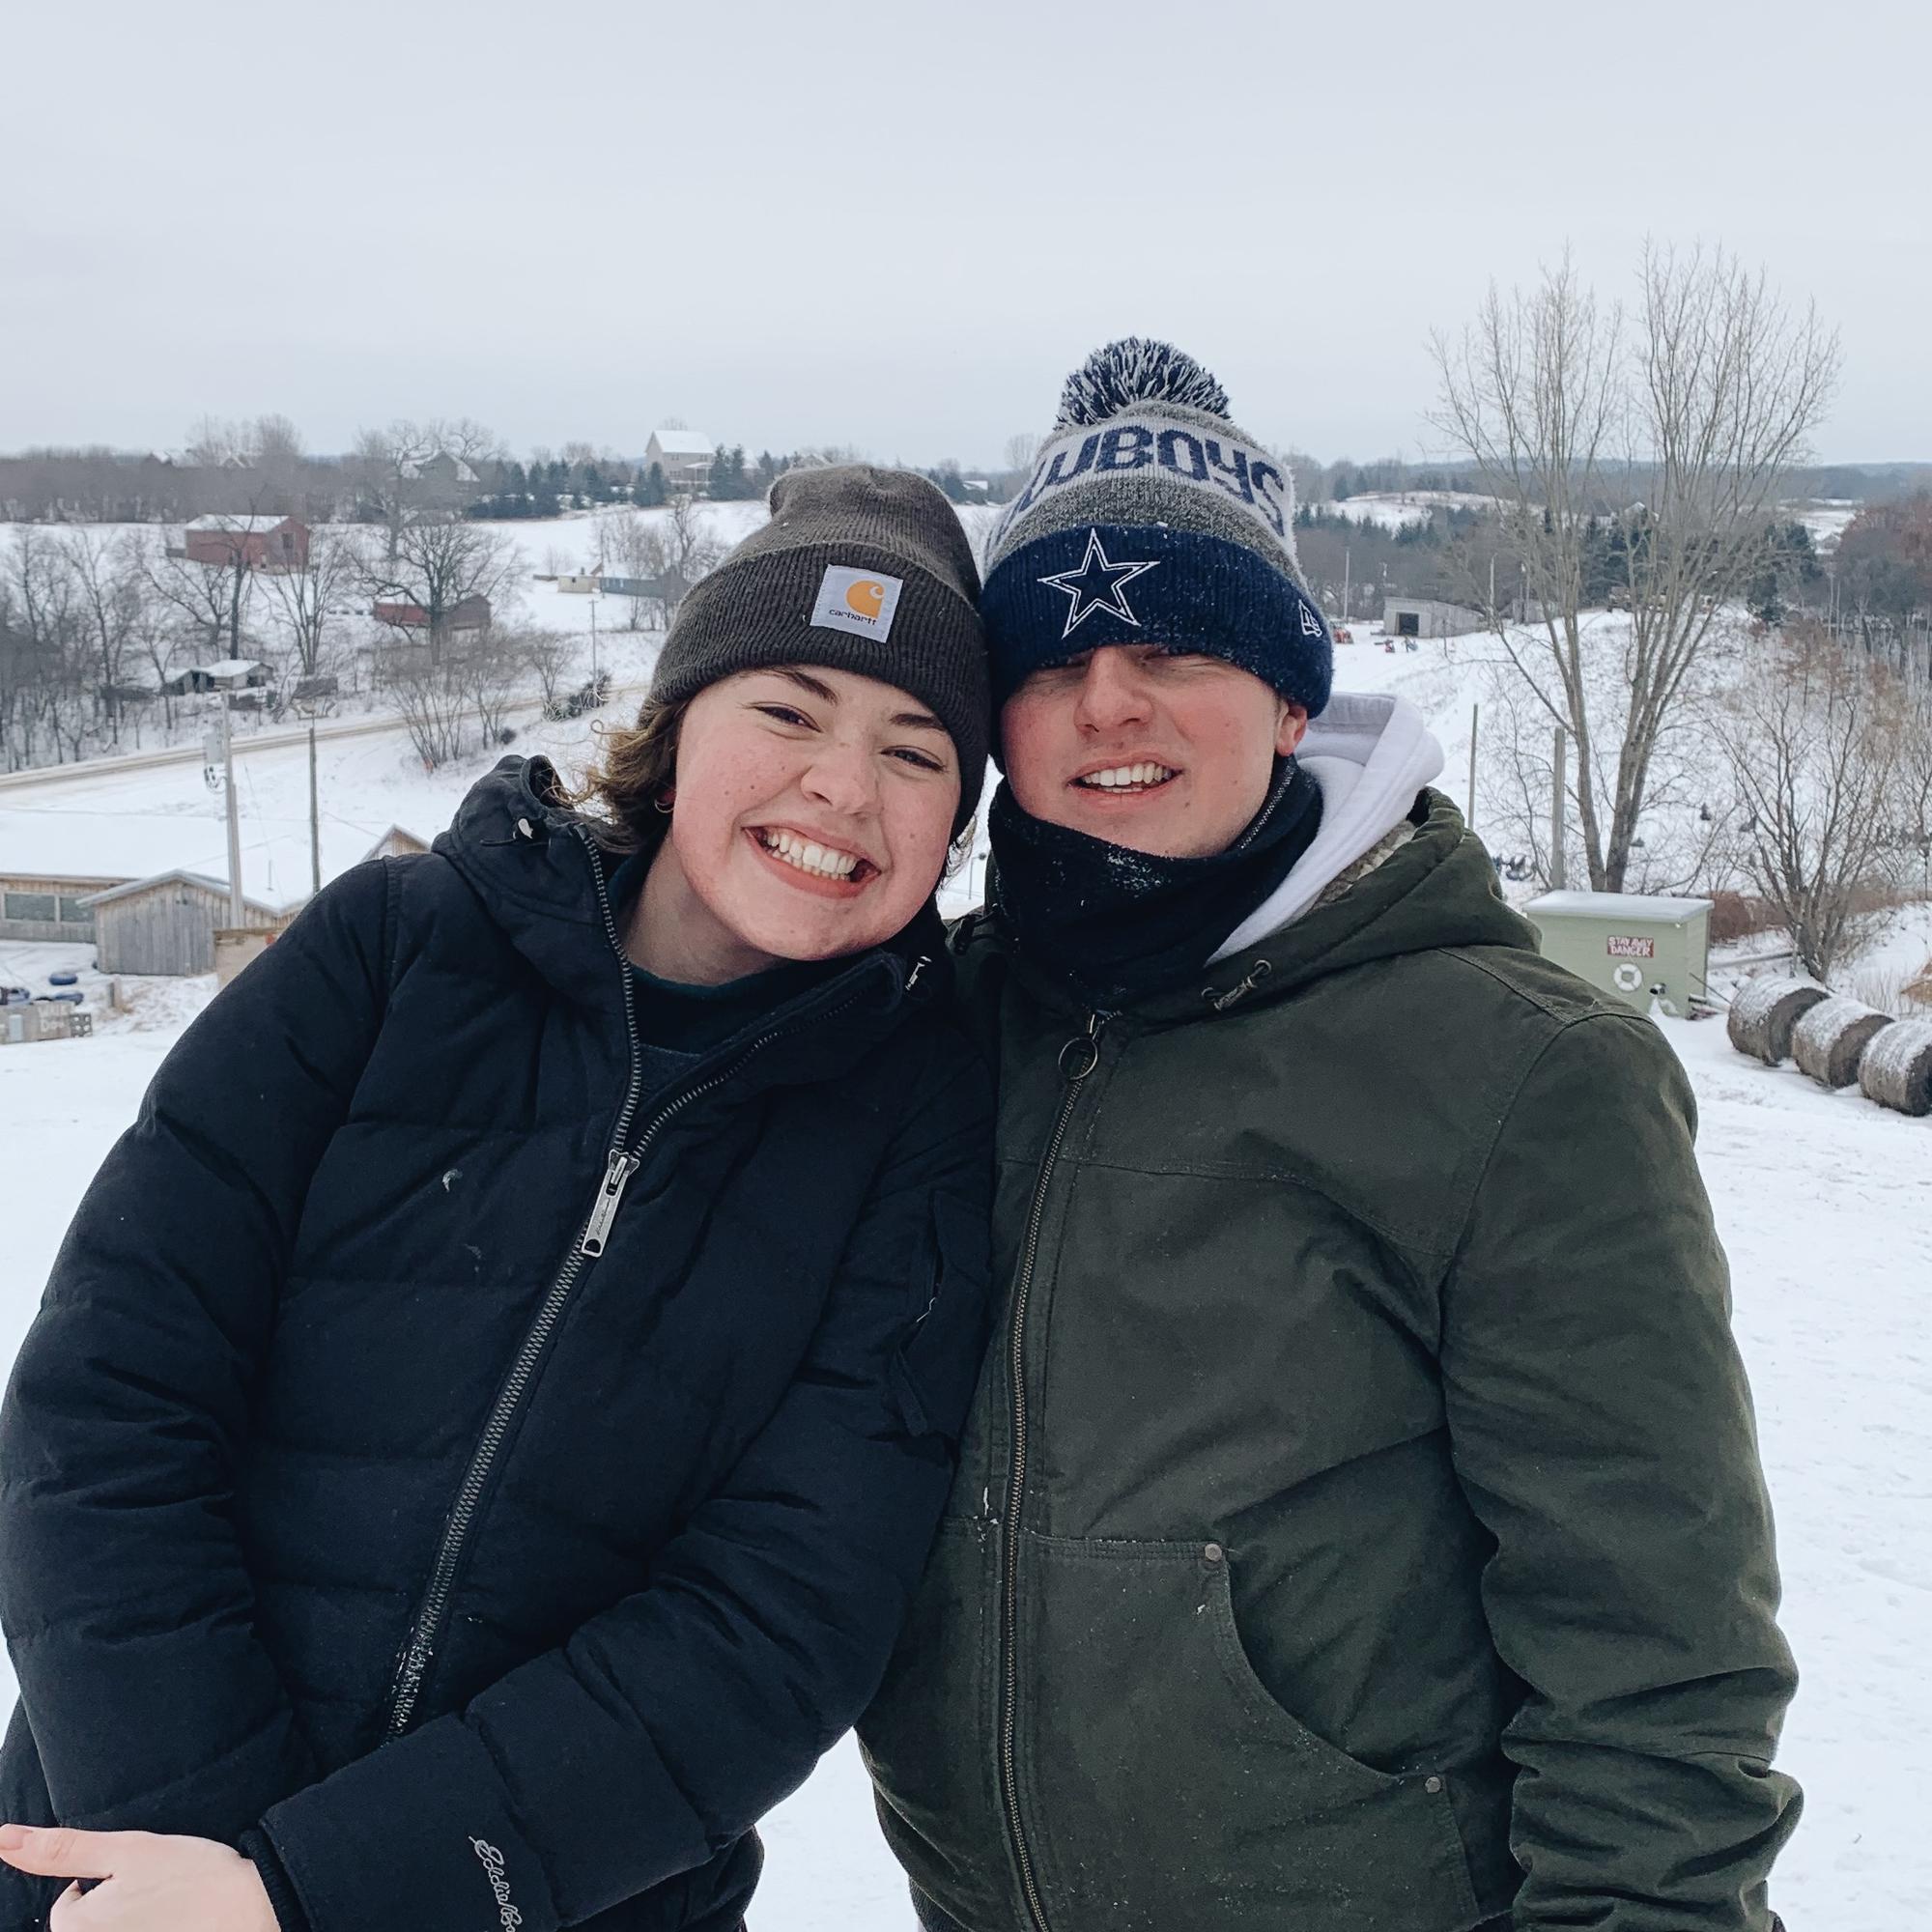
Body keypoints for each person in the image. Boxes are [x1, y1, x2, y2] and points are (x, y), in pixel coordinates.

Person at [860, 343, 1799, 1932]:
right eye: (1052, 658)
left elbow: (1658, 1665)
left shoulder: (1521, 1073)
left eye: (1180, 646)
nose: (1110, 703)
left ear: (1291, 696)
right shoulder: (946, 1030)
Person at [0, 466, 997, 1932]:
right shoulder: (395, 954)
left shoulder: (919, 1127)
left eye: (916, 752)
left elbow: (777, 1622)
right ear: (673, 731)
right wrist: (204, 1860)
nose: (843, 785)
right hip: (126, 1869)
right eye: (788, 710)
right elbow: (110, 1398)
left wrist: (324, 1895)